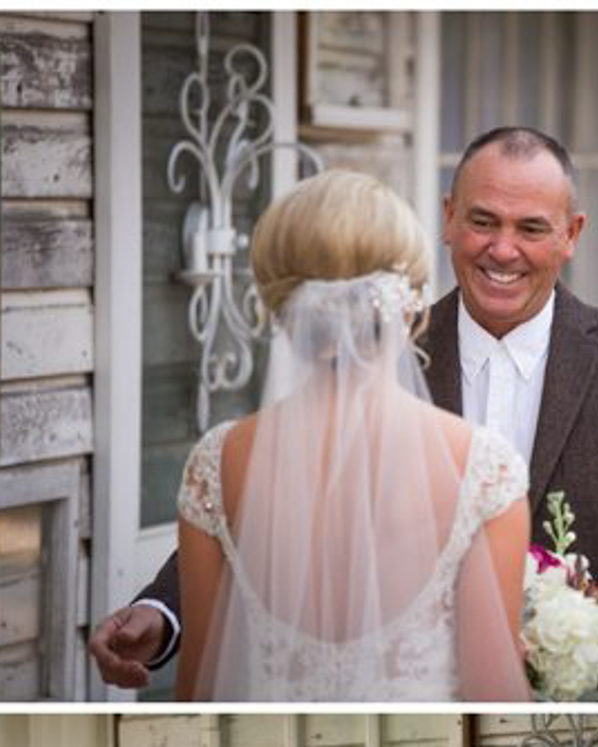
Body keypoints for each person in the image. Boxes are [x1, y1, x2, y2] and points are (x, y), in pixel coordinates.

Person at [92, 126, 598, 698]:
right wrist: (164, 612)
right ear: (447, 218)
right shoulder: (370, 353)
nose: (502, 248)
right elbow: (274, 502)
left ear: (570, 234)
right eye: (483, 221)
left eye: (530, 228)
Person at [174, 171, 531, 700]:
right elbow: (494, 694)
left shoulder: (217, 462)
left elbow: (198, 694)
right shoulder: (483, 470)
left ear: (279, 305)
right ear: (408, 302)